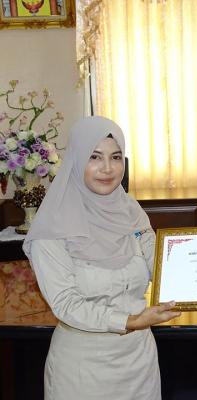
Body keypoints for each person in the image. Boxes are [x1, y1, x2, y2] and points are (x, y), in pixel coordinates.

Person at [23, 116, 180, 400]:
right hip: (83, 369)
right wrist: (130, 320)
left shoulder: (130, 211)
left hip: (139, 362)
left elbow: (163, 265)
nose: (107, 168)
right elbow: (66, 303)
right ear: (76, 160)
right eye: (94, 157)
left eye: (116, 157)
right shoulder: (53, 227)